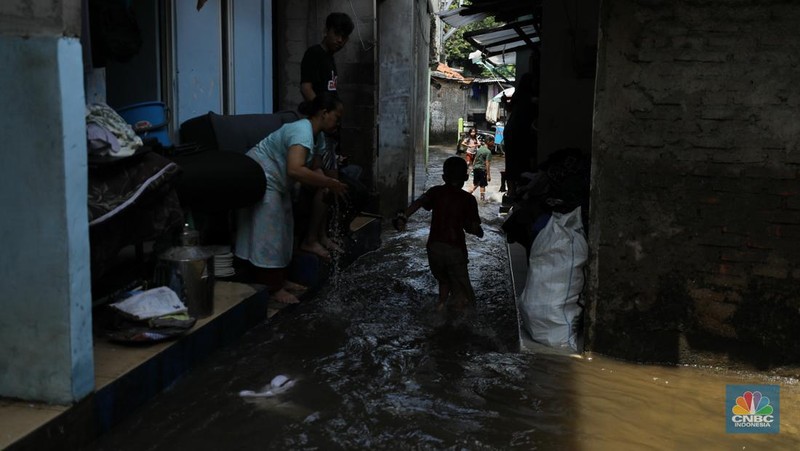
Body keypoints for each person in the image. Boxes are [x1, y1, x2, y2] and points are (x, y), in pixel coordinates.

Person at [235, 93, 348, 304]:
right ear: (324, 114)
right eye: (337, 116)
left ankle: (281, 280)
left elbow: (315, 167)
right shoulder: (302, 131)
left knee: (286, 229)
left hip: (278, 182)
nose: (338, 122)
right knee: (270, 235)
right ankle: (273, 288)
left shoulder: (318, 136)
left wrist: (330, 185)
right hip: (261, 177)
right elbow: (295, 169)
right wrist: (328, 184)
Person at [393, 157, 484, 312]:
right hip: (454, 249)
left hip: (434, 248)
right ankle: (462, 325)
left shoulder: (435, 191)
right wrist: (478, 231)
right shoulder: (468, 199)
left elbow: (419, 202)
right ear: (466, 178)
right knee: (464, 293)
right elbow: (473, 228)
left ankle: (440, 307)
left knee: (444, 280)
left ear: (443, 177)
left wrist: (403, 217)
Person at [298, 12, 355, 259]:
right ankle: (312, 238)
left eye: (344, 37)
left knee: (331, 185)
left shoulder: (330, 59)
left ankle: (322, 235)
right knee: (327, 184)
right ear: (327, 30)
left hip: (329, 130)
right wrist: (322, 117)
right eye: (337, 34)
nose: (340, 41)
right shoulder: (314, 54)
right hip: (322, 129)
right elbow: (306, 87)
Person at [469, 135, 493, 202]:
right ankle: (482, 200)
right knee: (482, 185)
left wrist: (473, 168)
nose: (493, 143)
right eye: (492, 142)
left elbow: (475, 159)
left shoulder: (480, 149)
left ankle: (466, 195)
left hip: (476, 168)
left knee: (475, 184)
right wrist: (488, 175)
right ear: (488, 142)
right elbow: (487, 164)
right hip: (482, 170)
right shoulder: (488, 152)